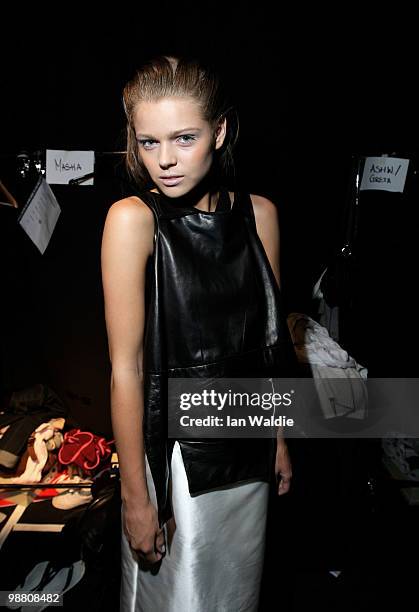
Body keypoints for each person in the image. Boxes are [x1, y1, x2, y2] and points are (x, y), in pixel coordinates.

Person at [101, 54, 296, 612]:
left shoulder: (261, 214)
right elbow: (125, 369)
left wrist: (278, 438)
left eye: (184, 138)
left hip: (247, 443)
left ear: (221, 130)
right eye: (147, 142)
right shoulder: (132, 221)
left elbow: (269, 347)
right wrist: (136, 498)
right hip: (176, 466)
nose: (164, 161)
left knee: (237, 595)